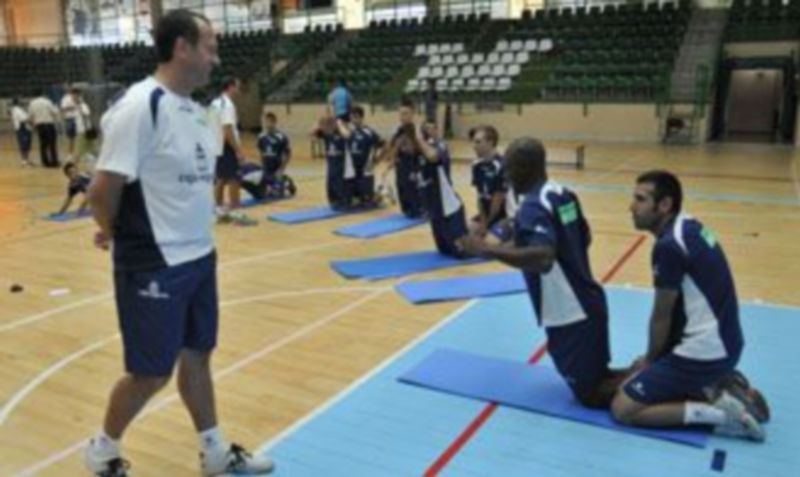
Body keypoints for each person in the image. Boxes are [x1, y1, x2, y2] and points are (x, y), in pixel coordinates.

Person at [84, 10, 274, 476]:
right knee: (151, 372)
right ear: (182, 48)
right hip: (153, 263)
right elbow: (100, 191)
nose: (216, 57)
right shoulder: (138, 106)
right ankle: (102, 451)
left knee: (197, 356)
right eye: (209, 46)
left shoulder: (196, 111)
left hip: (199, 256)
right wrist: (111, 230)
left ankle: (213, 452)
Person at [459, 137, 625, 408]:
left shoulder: (533, 206)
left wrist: (486, 250)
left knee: (591, 394)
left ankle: (689, 394)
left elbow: (544, 258)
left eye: (509, 170)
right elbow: (584, 237)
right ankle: (656, 377)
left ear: (524, 168)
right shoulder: (561, 193)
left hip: (569, 312)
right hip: (588, 299)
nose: (508, 177)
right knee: (601, 377)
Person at [610, 170, 769, 441]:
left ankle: (722, 413)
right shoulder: (690, 225)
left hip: (704, 352)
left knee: (624, 407)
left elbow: (662, 316)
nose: (631, 207)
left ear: (665, 205)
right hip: (728, 344)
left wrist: (650, 360)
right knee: (653, 377)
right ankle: (721, 382)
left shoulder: (669, 247)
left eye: (640, 199)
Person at [401, 120, 468, 257]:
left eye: (432, 129)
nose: (429, 132)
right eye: (425, 129)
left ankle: (488, 247)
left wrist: (418, 139)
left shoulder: (440, 145)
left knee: (460, 252)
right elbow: (406, 149)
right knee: (443, 250)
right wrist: (410, 133)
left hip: (449, 207)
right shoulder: (419, 151)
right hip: (434, 207)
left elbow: (433, 156)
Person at [210, 77, 246, 219]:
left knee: (221, 178)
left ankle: (218, 210)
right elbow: (228, 129)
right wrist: (238, 150)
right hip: (226, 146)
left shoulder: (215, 102)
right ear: (230, 87)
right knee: (234, 179)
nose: (239, 90)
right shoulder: (227, 105)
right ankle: (236, 212)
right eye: (237, 86)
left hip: (215, 145)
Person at [386, 97, 424, 218]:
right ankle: (406, 209)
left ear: (413, 114)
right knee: (401, 186)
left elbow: (417, 150)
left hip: (414, 163)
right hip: (401, 164)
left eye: (406, 113)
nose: (402, 116)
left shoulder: (418, 130)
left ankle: (418, 209)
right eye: (401, 114)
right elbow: (392, 146)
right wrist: (392, 158)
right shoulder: (397, 130)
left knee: (412, 187)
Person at [469, 125, 507, 238]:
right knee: (464, 235)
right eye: (473, 142)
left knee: (488, 242)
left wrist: (485, 224)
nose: (474, 146)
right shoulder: (476, 165)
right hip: (486, 215)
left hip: (504, 216)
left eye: (478, 142)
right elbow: (480, 197)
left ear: (490, 142)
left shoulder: (501, 165)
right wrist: (483, 220)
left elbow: (497, 202)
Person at [312, 115, 352, 209]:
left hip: (342, 164)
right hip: (331, 164)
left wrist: (339, 124)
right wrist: (319, 124)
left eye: (331, 124)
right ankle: (333, 200)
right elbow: (312, 135)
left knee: (340, 182)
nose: (329, 127)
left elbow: (347, 135)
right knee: (330, 182)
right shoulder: (327, 135)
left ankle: (342, 200)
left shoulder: (341, 134)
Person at [348, 106, 385, 206]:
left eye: (356, 117)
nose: (353, 120)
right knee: (354, 199)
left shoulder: (369, 132)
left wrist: (377, 158)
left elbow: (383, 145)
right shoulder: (349, 132)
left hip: (366, 168)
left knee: (367, 200)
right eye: (351, 118)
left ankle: (379, 195)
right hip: (353, 167)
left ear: (361, 118)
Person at [256, 111, 295, 198]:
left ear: (274, 122)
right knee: (263, 191)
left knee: (278, 194)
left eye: (269, 122)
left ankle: (287, 182)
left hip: (277, 165)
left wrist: (282, 168)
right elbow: (261, 152)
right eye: (265, 122)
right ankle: (273, 184)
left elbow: (288, 153)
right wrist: (262, 165)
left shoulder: (281, 137)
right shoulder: (261, 137)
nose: (267, 124)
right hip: (266, 165)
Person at [28, 89, 61, 168]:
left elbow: (30, 117)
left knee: (43, 144)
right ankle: (54, 161)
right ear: (42, 93)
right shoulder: (47, 101)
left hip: (40, 125)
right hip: (49, 124)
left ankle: (45, 162)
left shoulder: (32, 103)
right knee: (52, 144)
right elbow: (54, 112)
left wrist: (34, 126)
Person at [10, 97, 34, 167]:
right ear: (18, 102)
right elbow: (24, 119)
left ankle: (26, 159)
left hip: (23, 128)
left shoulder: (16, 110)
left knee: (26, 144)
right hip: (23, 128)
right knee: (24, 144)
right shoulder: (17, 110)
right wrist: (32, 121)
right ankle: (24, 161)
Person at [61, 87, 82, 159]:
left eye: (77, 94)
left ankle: (78, 153)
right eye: (75, 94)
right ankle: (70, 154)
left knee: (79, 136)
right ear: (72, 93)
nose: (76, 95)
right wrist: (72, 107)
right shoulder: (66, 99)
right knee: (71, 137)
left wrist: (77, 102)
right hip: (69, 118)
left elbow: (81, 107)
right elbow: (63, 109)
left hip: (78, 118)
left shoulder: (80, 99)